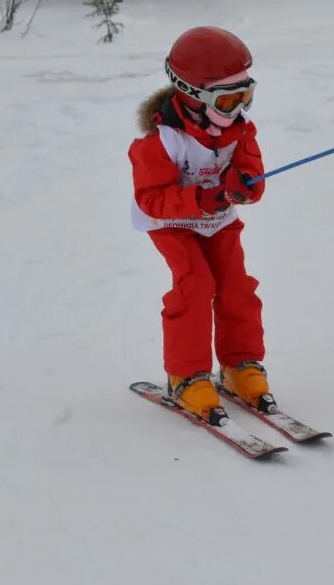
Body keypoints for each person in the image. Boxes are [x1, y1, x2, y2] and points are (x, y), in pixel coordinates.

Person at [129, 27, 271, 422]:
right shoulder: (160, 142)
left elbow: (252, 173)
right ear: (192, 94)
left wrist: (246, 184)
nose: (239, 108)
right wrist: (197, 199)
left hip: (219, 221)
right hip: (171, 224)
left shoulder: (238, 130)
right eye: (228, 99)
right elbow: (150, 198)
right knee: (196, 285)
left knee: (235, 285)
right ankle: (185, 375)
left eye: (245, 95)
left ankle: (240, 364)